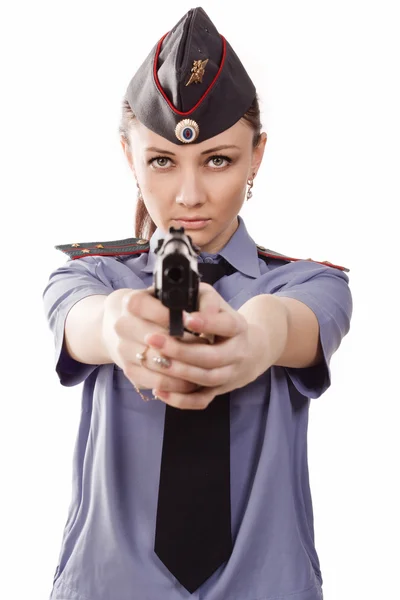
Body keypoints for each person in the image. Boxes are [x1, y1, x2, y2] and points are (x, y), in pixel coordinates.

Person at [43, 6, 352, 600]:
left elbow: (284, 326)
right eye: (161, 160)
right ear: (129, 155)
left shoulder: (311, 285)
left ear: (256, 156)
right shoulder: (93, 276)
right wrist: (119, 329)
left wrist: (252, 340)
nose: (189, 195)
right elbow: (85, 321)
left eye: (218, 159)